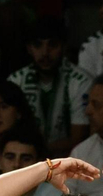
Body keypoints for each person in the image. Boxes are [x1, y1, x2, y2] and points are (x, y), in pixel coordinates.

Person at [9, 17, 91, 155]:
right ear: (29, 48)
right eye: (38, 45)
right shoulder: (16, 81)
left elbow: (78, 139)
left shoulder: (81, 81)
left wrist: (37, 149)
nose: (45, 53)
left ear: (64, 47)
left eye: (52, 45)